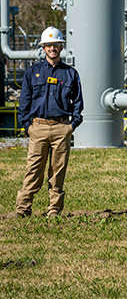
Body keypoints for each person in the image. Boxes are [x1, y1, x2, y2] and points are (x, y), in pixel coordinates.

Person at [12, 27, 84, 218]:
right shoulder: (32, 72)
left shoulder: (71, 74)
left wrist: (71, 126)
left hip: (62, 128)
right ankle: (23, 209)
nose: (52, 48)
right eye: (49, 45)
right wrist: (28, 126)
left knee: (58, 171)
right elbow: (24, 103)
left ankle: (54, 210)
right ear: (43, 48)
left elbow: (78, 102)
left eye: (56, 45)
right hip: (38, 127)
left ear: (61, 46)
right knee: (33, 170)